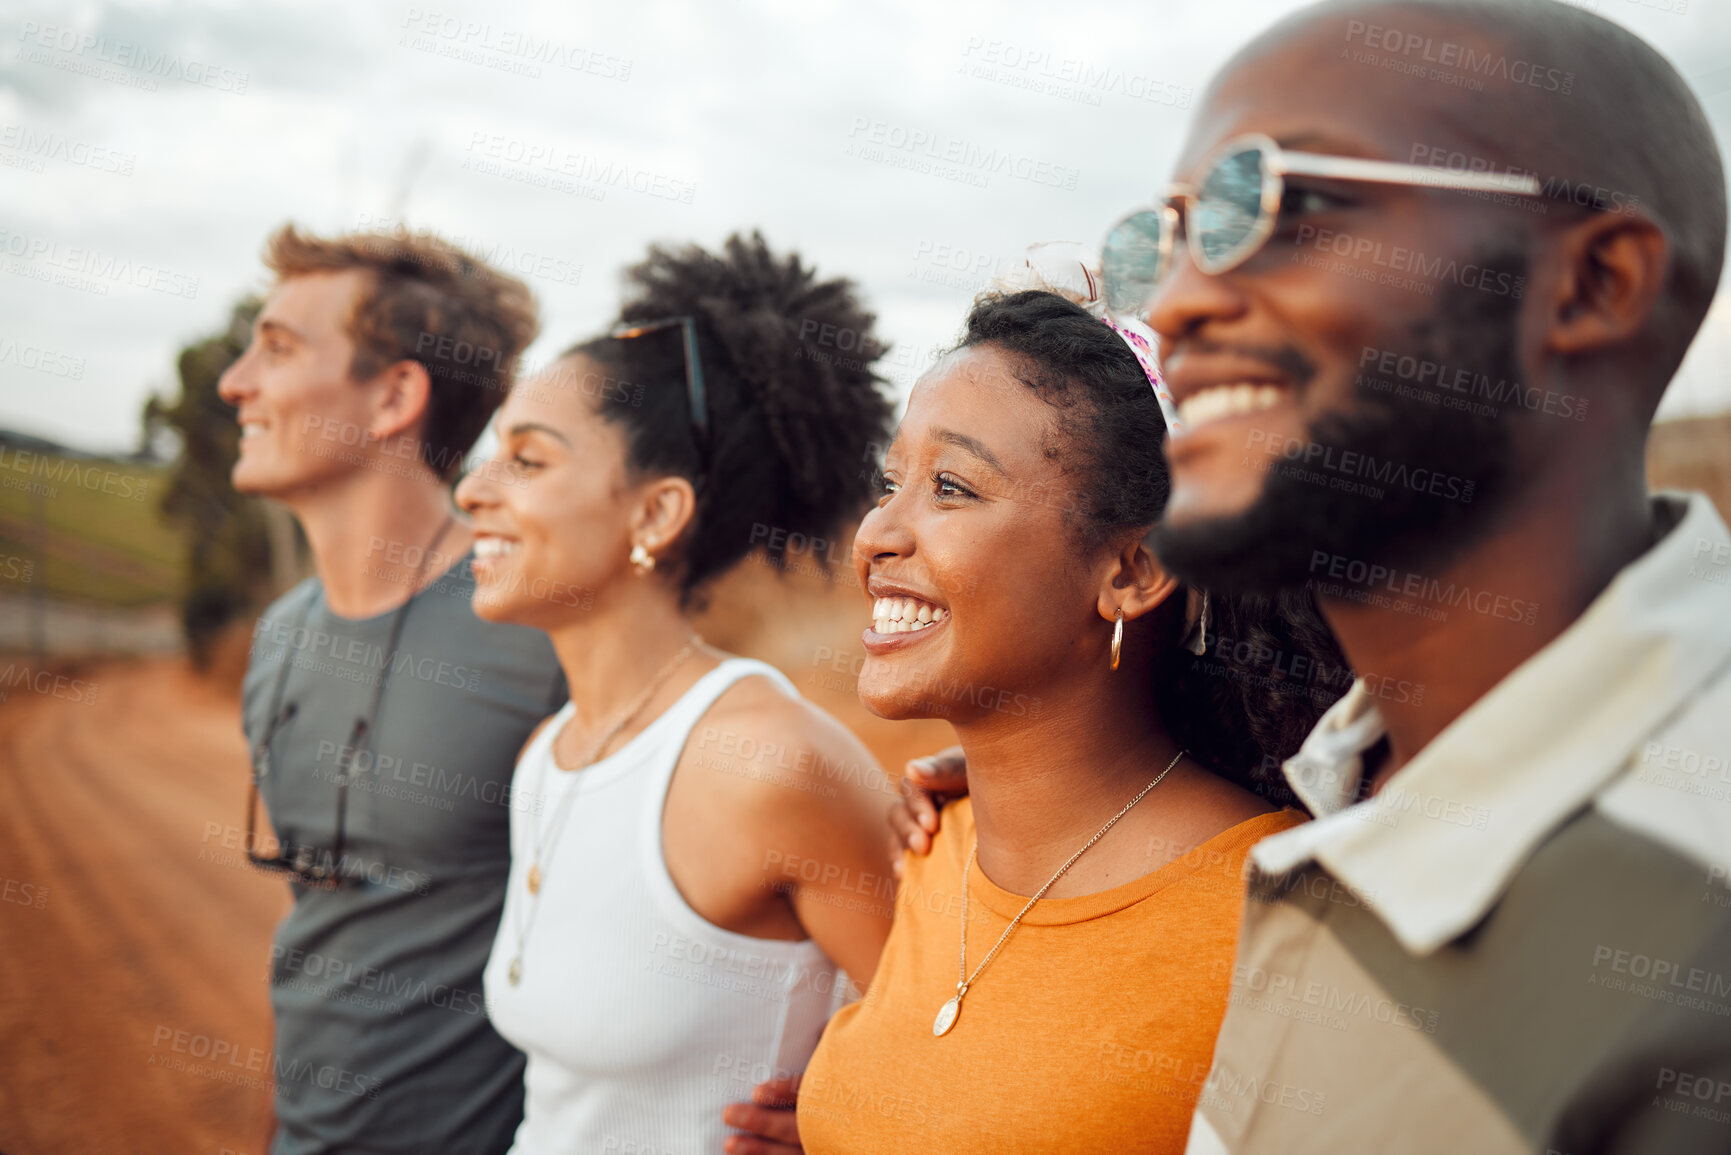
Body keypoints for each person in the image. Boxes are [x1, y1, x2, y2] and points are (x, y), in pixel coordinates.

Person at [1092, 0, 1731, 1149]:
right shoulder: (1341, 781)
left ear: (1591, 285)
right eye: (1169, 236)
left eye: (1277, 203)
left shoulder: (1694, 919)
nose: (1177, 301)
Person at [791, 288, 1356, 1154]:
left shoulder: (1281, 920)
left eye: (950, 486)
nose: (876, 533)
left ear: (1132, 570)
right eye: (888, 482)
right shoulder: (934, 846)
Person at [455, 232, 900, 1155]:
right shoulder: (550, 754)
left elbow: (955, 1063)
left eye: (528, 461)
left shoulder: (772, 762)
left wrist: (841, 1126)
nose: (473, 491)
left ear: (654, 513)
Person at [220, 224, 564, 1154]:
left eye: (278, 348)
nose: (234, 382)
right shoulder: (279, 634)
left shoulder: (542, 629)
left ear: (394, 395)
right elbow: (318, 930)